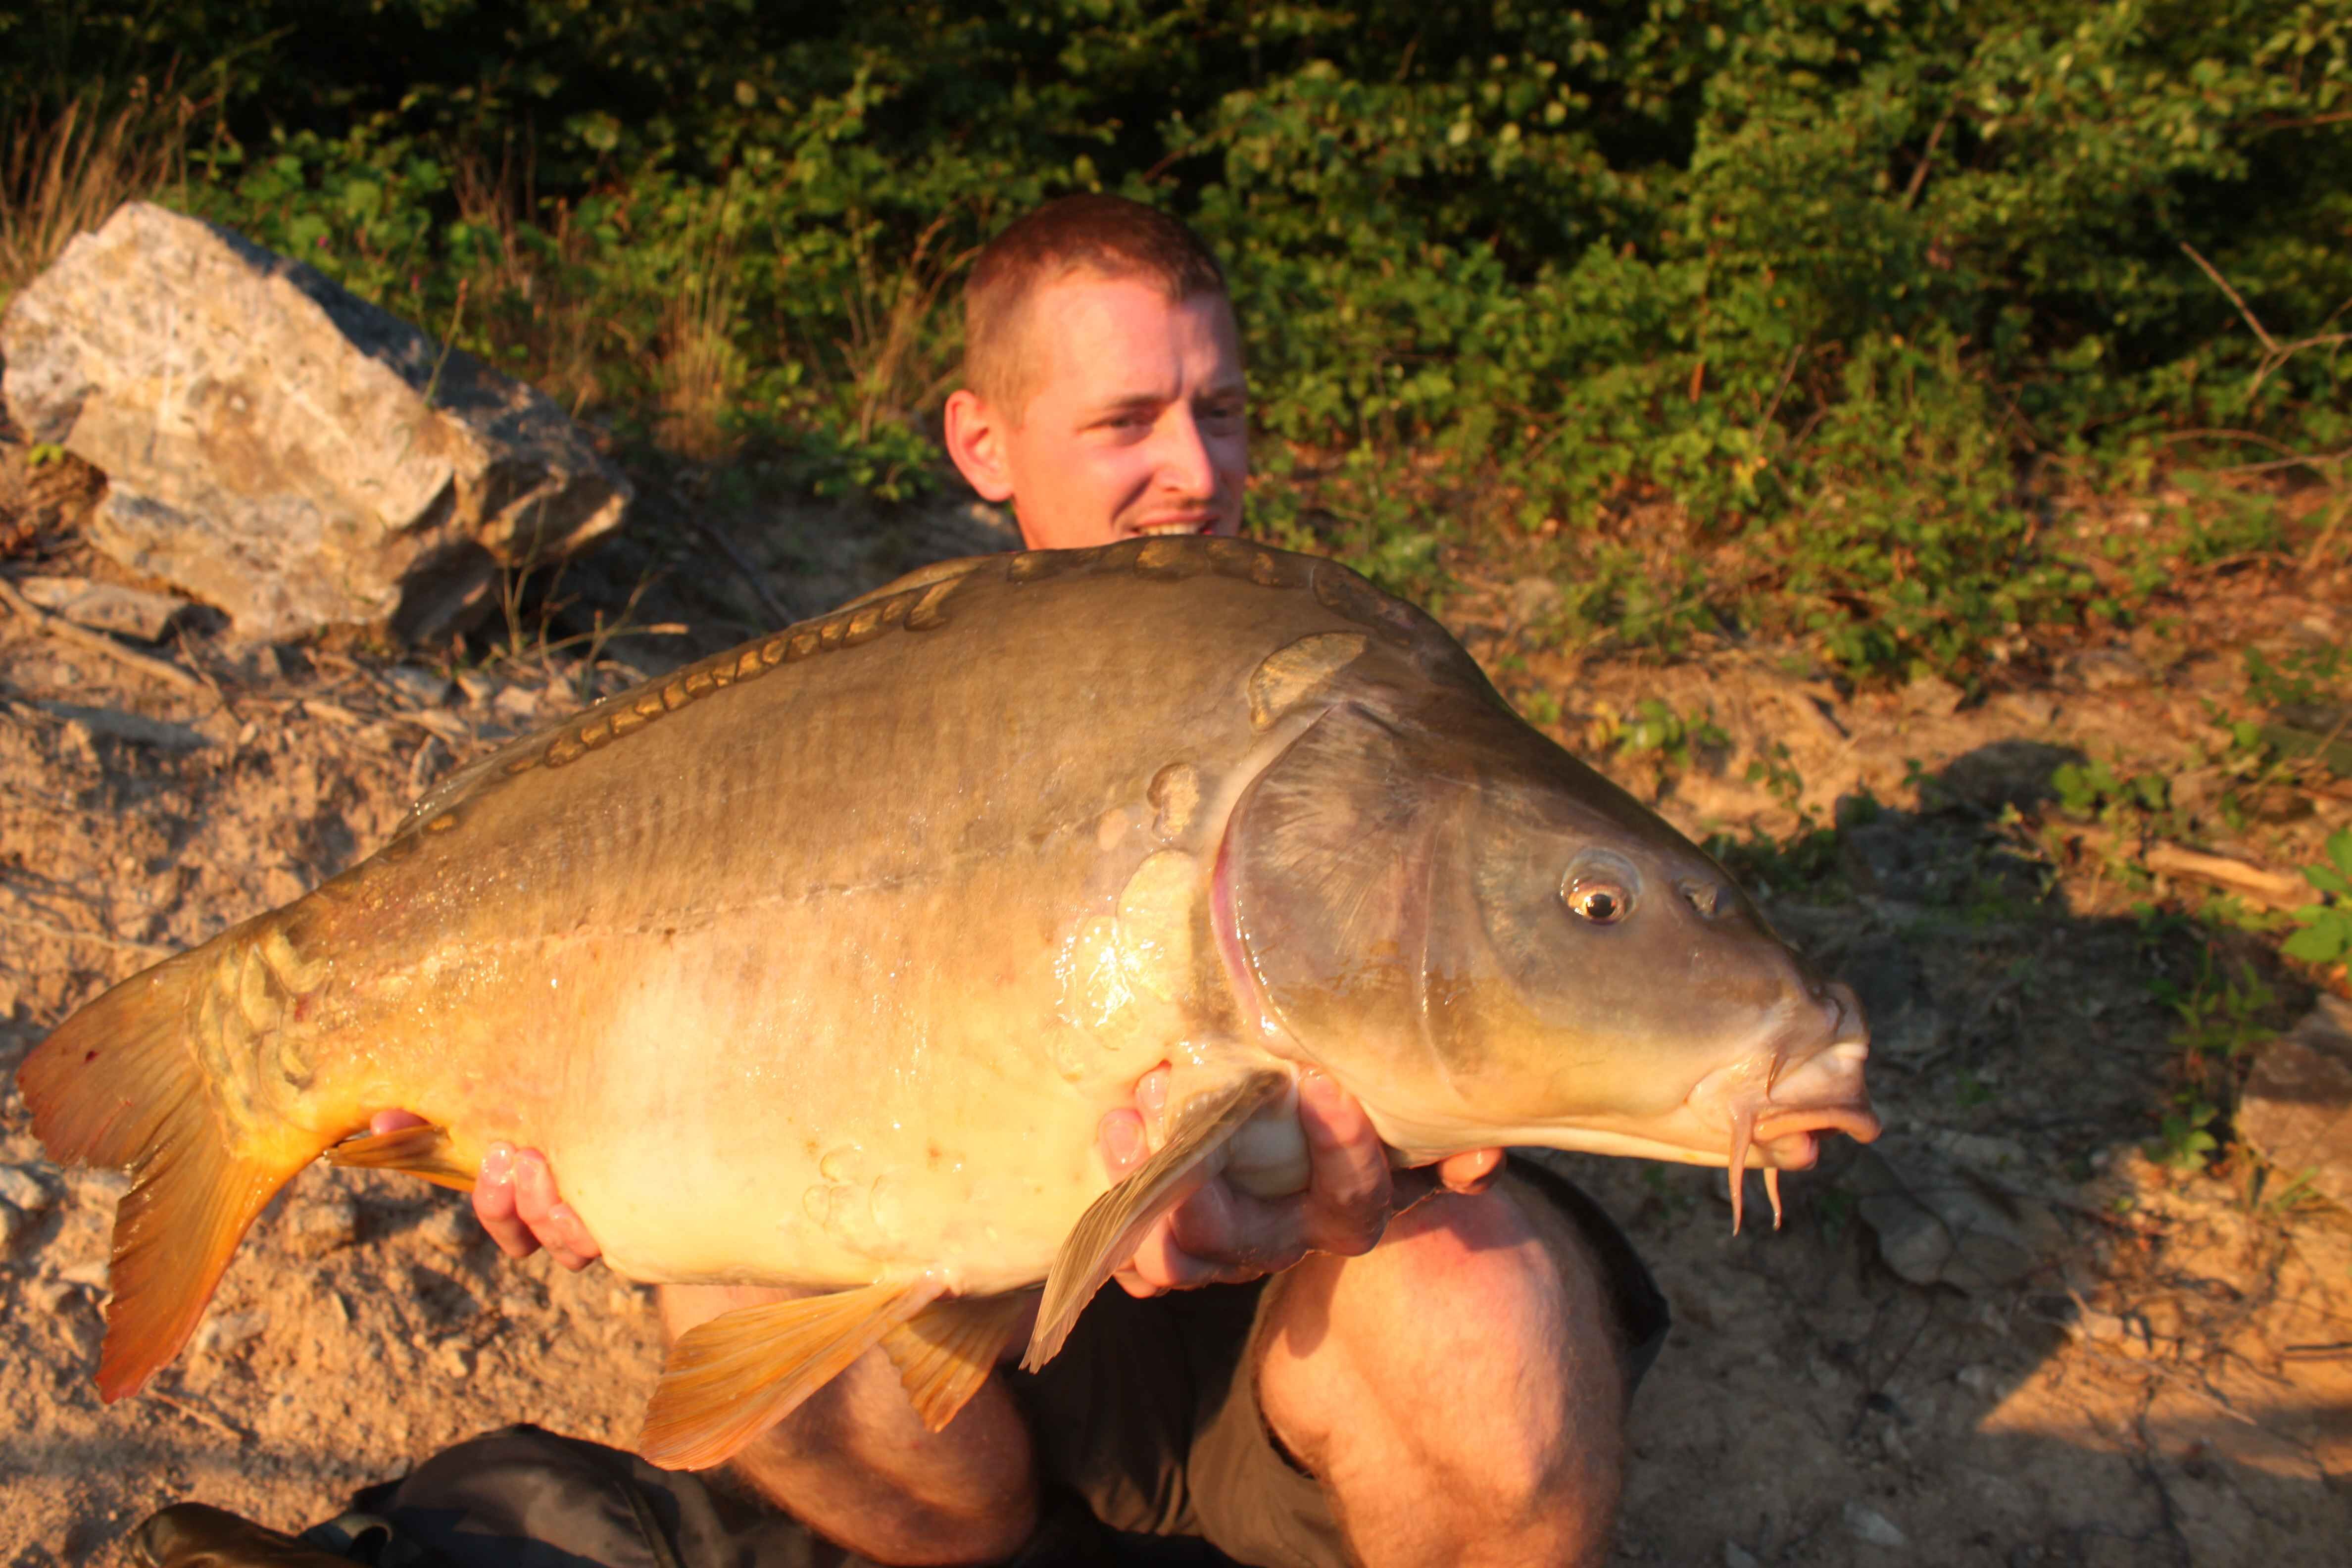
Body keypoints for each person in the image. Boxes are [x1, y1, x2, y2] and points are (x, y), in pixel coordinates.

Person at [381, 196, 1665, 1568]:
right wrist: (594, 1171)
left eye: (1219, 412)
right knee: (719, 1274)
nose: (1193, 470)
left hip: (1294, 1362)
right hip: (996, 1414)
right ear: (982, 444)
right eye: (1127, 423)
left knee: (1480, 1308)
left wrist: (1404, 1174)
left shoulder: (1347, 682)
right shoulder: (849, 718)